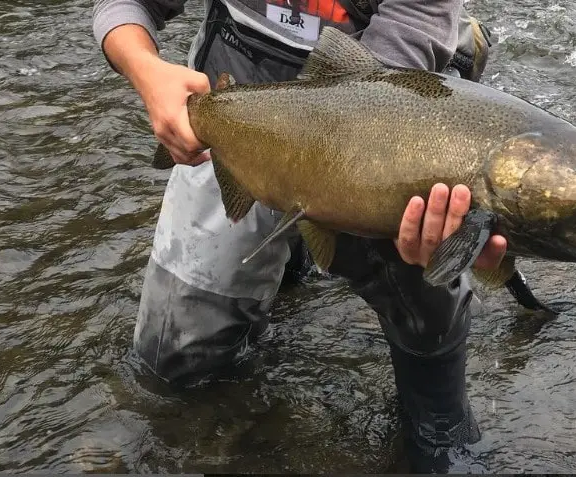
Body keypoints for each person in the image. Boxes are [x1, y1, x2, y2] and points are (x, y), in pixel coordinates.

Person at [92, 0, 506, 472]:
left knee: (427, 274)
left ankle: (439, 418)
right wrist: (148, 72)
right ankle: (293, 253)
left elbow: (381, 100)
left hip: (380, 125)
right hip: (238, 107)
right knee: (173, 365)